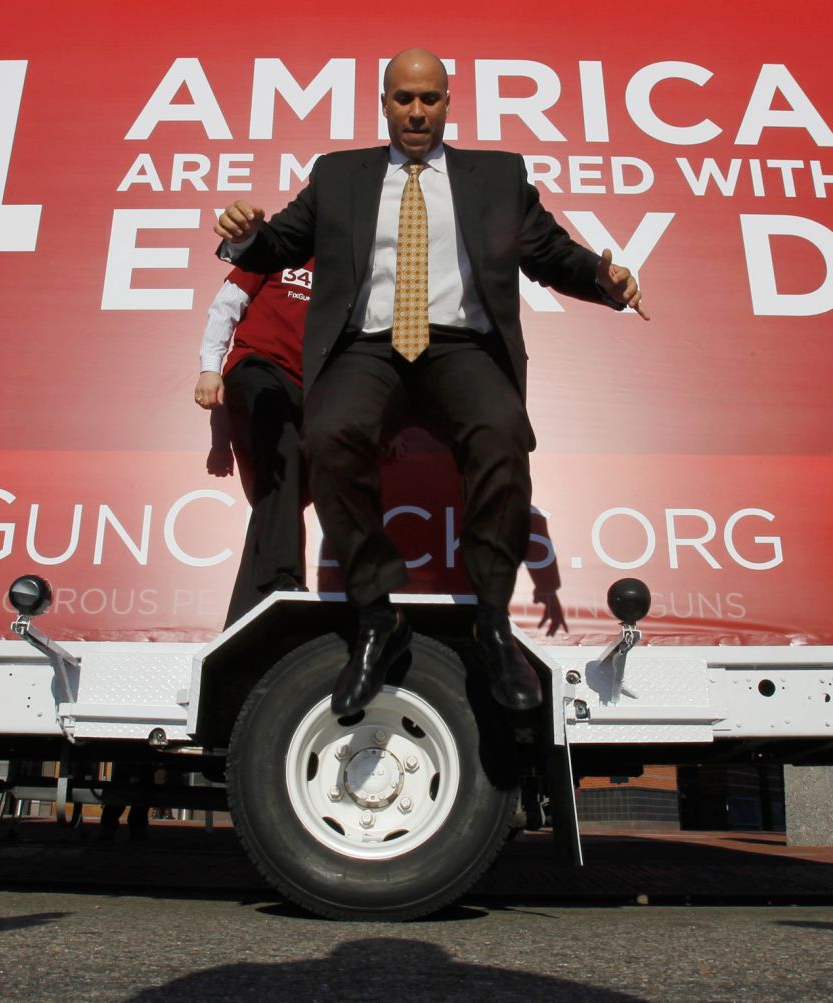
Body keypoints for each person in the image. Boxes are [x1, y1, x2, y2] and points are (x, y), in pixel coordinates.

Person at [214, 48, 647, 716]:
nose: (416, 111)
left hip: (458, 345)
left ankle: (491, 622)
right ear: (383, 103)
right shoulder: (339, 175)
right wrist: (247, 236)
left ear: (449, 102)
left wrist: (603, 279)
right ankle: (375, 615)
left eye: (430, 99)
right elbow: (279, 247)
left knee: (502, 432)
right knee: (329, 434)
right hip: (369, 346)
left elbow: (548, 252)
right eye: (403, 99)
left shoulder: (496, 176)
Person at [193, 264, 315, 626]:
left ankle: (247, 613)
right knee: (283, 454)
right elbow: (227, 305)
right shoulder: (278, 250)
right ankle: (283, 577)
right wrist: (209, 368)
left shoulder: (350, 266)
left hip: (309, 391)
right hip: (257, 367)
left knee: (283, 493)